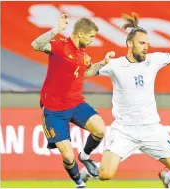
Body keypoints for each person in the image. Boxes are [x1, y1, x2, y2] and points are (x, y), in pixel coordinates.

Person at [80, 12, 170, 185]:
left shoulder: (154, 60)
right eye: (142, 43)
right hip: (124, 130)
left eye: (147, 43)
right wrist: (102, 62)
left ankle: (167, 177)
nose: (146, 47)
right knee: (105, 174)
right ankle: (88, 170)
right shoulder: (115, 64)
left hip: (152, 129)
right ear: (130, 44)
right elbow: (85, 73)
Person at [31, 14, 115, 188]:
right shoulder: (60, 46)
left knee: (100, 129)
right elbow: (36, 45)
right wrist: (57, 29)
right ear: (80, 34)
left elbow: (85, 73)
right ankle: (79, 183)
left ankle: (85, 156)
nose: (92, 40)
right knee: (68, 157)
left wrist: (103, 63)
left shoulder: (83, 55)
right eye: (91, 36)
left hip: (76, 103)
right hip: (54, 110)